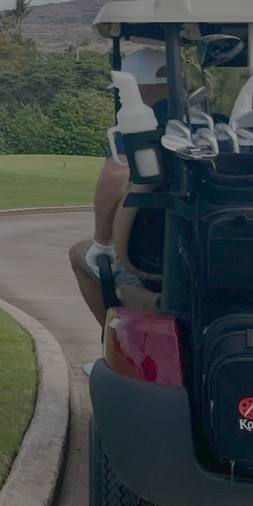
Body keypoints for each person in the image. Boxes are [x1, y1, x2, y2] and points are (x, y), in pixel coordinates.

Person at [70, 46, 167, 322]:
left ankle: (114, 343)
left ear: (138, 87)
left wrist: (102, 243)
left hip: (155, 257)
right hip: (200, 252)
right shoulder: (206, 121)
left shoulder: (143, 123)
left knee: (81, 255)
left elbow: (116, 174)